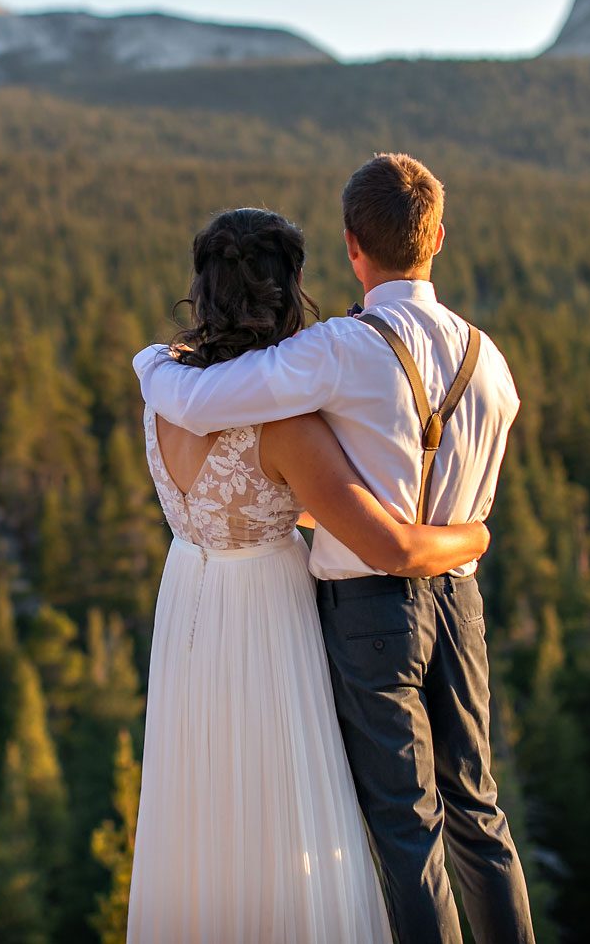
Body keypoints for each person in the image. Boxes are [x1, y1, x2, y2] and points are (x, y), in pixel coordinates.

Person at [133, 155, 536, 944]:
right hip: (461, 599)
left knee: (406, 824)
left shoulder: (336, 351)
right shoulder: (491, 360)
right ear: (439, 237)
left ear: (353, 244)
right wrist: (474, 534)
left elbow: (208, 399)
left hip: (362, 611)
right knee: (479, 811)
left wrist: (149, 363)